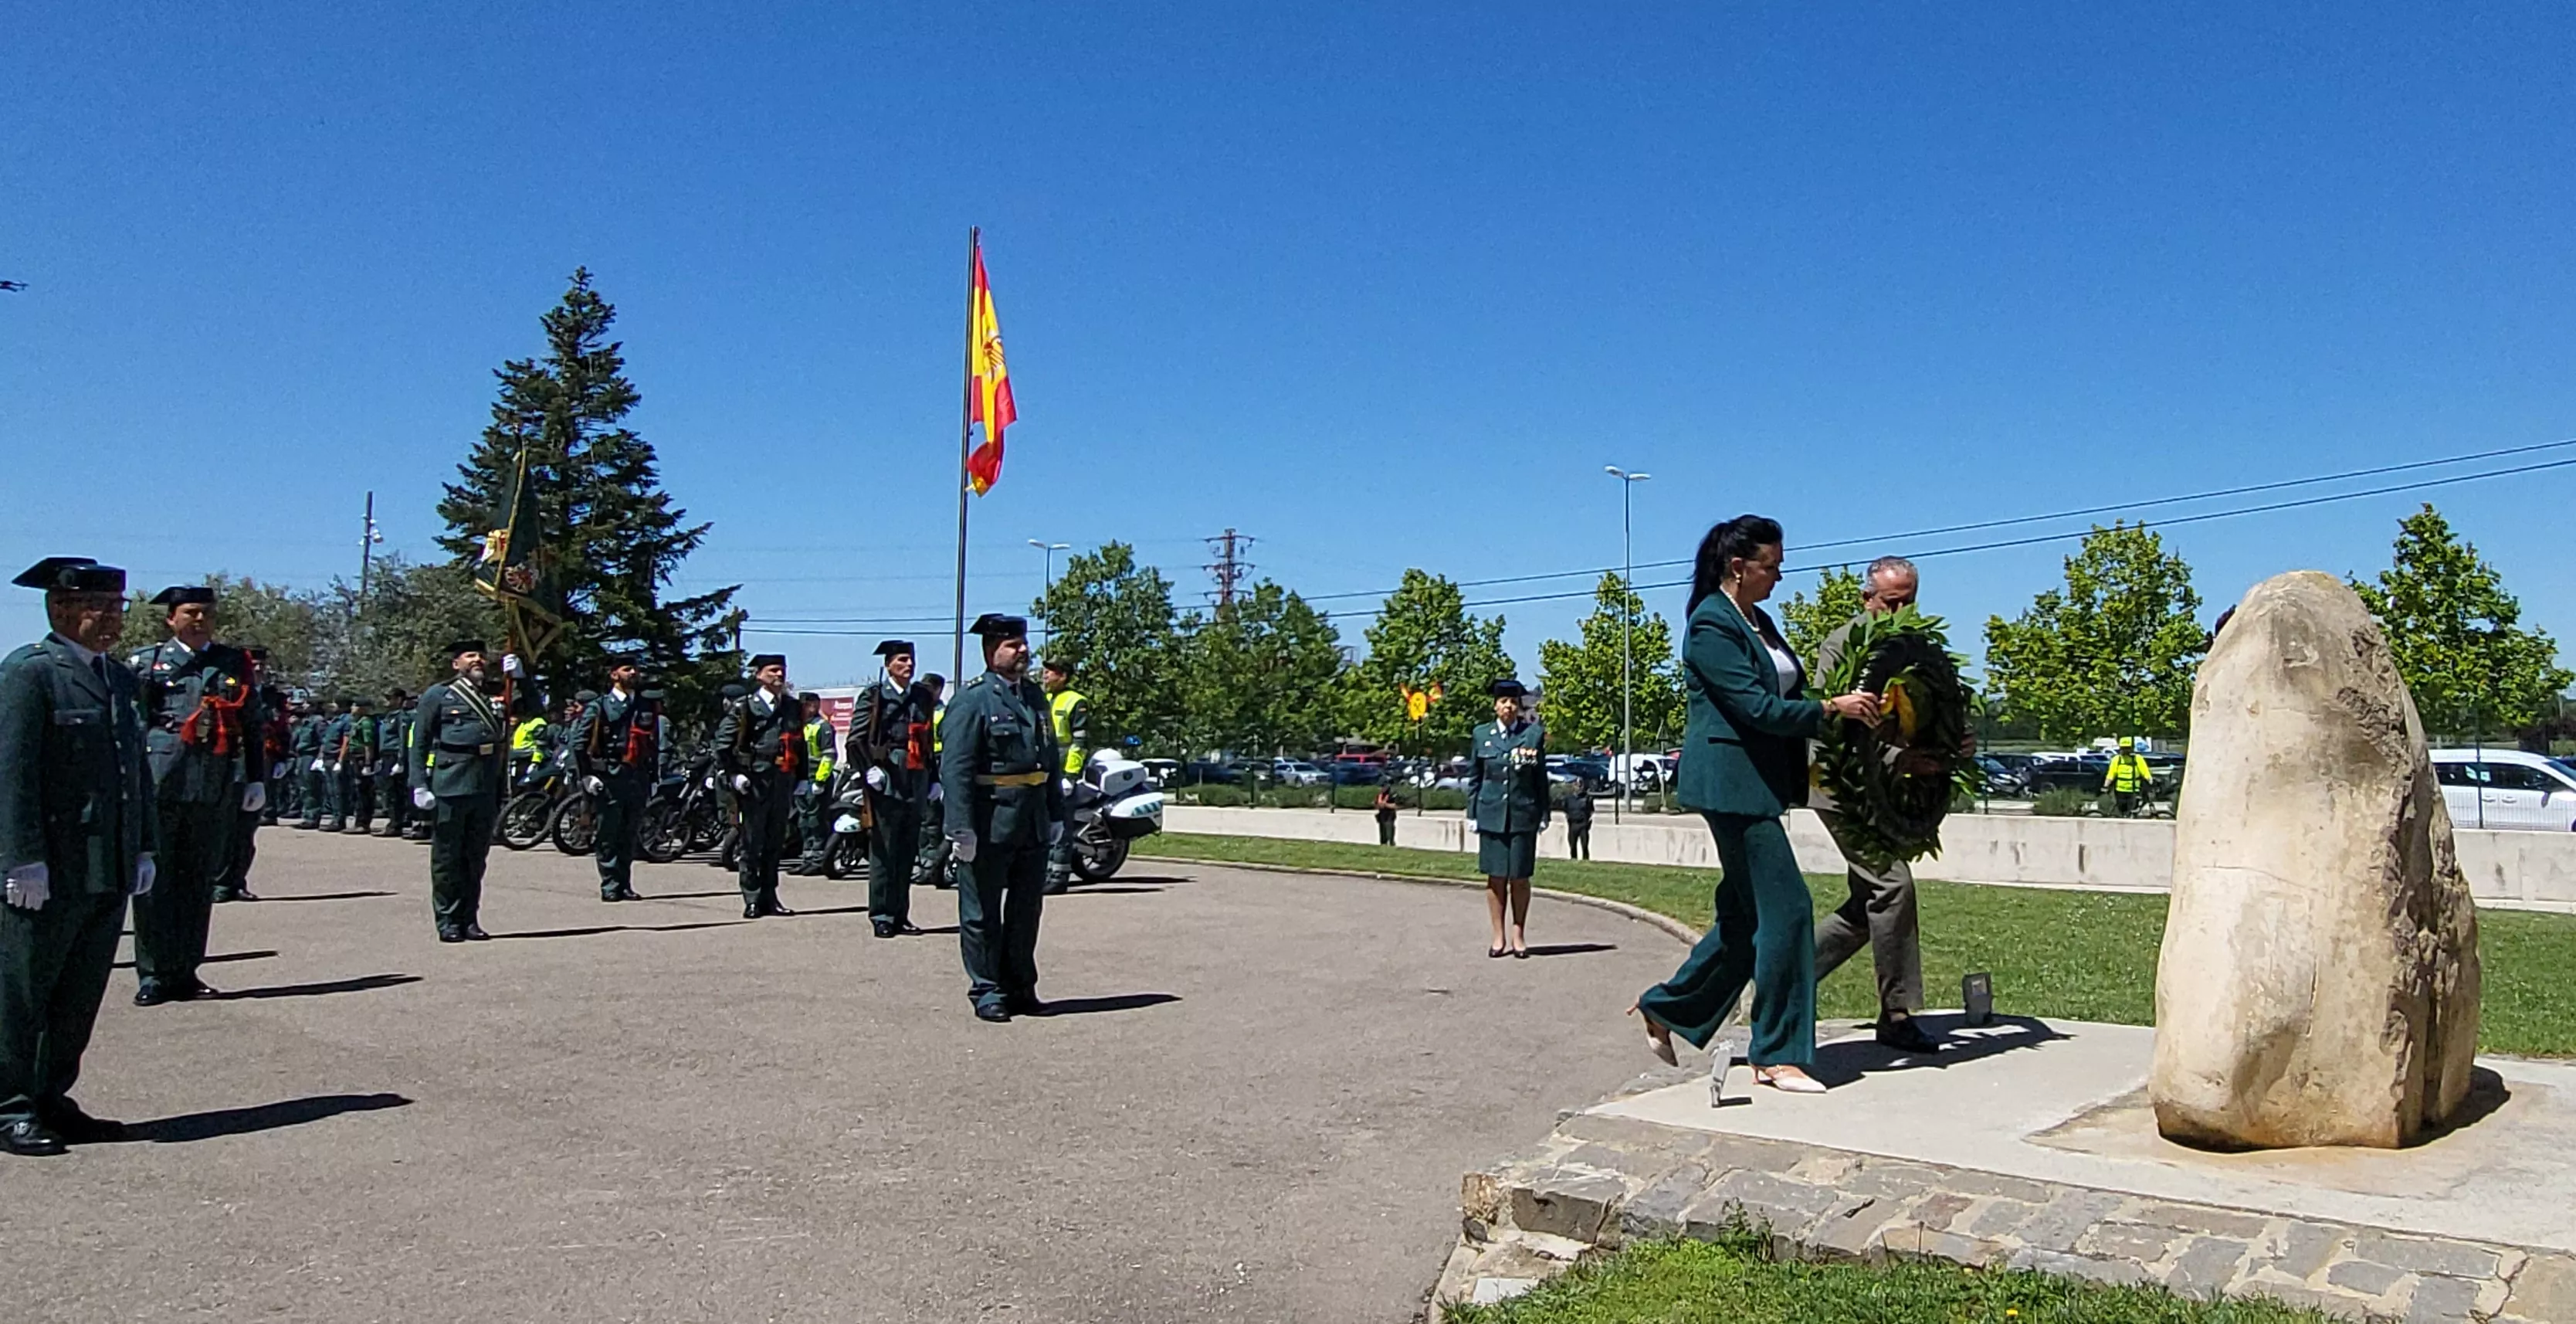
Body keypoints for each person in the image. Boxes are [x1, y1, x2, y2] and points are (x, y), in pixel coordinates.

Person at [1632, 517, 1880, 1095]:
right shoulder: (1710, 626)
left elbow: (1784, 694)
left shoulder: (1757, 620)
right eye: (1771, 565)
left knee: (1746, 918)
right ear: (1738, 566)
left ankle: (1668, 1008)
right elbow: (1757, 709)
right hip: (1730, 788)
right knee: (1789, 911)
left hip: (1761, 784)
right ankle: (1776, 1053)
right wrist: (1830, 710)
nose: (1780, 574)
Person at [0, 557, 158, 1155]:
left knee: (79, 993)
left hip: (106, 862)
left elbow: (132, 772)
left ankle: (50, 1096)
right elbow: (11, 773)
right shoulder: (29, 674)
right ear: (61, 609)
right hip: (49, 866)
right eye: (101, 607)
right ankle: (9, 1104)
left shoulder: (117, 678)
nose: (114, 618)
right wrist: (19, 859)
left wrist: (143, 845)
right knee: (23, 991)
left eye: (117, 607)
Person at [1808, 555, 1940, 1054]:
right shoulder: (1843, 646)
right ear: (1868, 599)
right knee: (1893, 885)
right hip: (1841, 787)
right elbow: (1842, 730)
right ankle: (1897, 1014)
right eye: (1891, 602)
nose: (1901, 610)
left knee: (1867, 910)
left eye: (1909, 600)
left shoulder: (1921, 648)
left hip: (1888, 790)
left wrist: (1953, 746)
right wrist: (1904, 761)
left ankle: (1780, 987)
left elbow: (1929, 712)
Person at [126, 584, 266, 1006]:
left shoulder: (230, 662)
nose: (200, 619)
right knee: (156, 880)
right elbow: (132, 727)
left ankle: (185, 970)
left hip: (212, 780)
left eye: (206, 612)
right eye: (190, 612)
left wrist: (256, 777)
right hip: (160, 778)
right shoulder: (147, 662)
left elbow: (252, 722)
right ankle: (152, 973)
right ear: (172, 619)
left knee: (196, 878)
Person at [940, 615, 1066, 1023]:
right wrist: (959, 827)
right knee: (981, 913)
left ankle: (1020, 986)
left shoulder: (1033, 695)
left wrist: (1056, 811)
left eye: (1024, 643)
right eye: (1013, 645)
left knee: (1026, 911)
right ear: (990, 650)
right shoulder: (972, 699)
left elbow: (1049, 758)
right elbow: (955, 768)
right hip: (989, 820)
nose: (1023, 651)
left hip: (1031, 819)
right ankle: (987, 989)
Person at [409, 640, 507, 942]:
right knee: (447, 857)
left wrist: (524, 679)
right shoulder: (438, 694)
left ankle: (469, 918)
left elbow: (532, 709)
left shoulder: (496, 692)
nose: (477, 660)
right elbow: (419, 741)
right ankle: (448, 920)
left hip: (485, 784)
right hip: (451, 782)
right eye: (470, 656)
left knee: (475, 857)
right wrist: (419, 784)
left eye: (480, 655)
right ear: (456, 664)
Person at [851, 640, 935, 938]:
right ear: (888, 665)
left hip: (916, 774)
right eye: (901, 661)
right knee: (885, 849)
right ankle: (882, 914)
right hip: (887, 775)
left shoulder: (922, 696)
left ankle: (901, 913)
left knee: (907, 849)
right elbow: (856, 738)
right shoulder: (875, 696)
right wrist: (867, 769)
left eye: (911, 660)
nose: (908, 666)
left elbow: (929, 737)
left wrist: (934, 777)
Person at [713, 654, 804, 919]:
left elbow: (798, 743)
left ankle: (770, 896)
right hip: (754, 780)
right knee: (752, 842)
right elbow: (723, 744)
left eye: (782, 671)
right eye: (773, 670)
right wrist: (734, 774)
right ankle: (751, 898)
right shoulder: (745, 707)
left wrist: (803, 777)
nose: (779, 675)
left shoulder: (791, 706)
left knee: (775, 842)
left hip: (782, 779)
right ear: (759, 675)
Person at [1466, 678, 1549, 959]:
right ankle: (1498, 936)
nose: (1508, 707)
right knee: (1496, 877)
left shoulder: (1532, 735)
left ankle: (1518, 935)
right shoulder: (1481, 734)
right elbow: (1475, 777)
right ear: (1495, 706)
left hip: (1523, 814)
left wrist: (1544, 813)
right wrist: (1472, 813)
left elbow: (1540, 780)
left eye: (1513, 702)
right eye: (1503, 702)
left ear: (1519, 706)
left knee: (1520, 878)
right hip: (1491, 815)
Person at [571, 654, 655, 903]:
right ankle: (609, 882)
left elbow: (652, 741)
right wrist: (587, 775)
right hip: (609, 774)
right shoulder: (600, 706)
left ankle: (624, 883)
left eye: (635, 669)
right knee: (609, 831)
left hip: (636, 774)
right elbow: (579, 743)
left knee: (629, 832)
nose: (633, 673)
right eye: (627, 669)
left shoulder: (644, 705)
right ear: (614, 675)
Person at [1039, 657, 1089, 895]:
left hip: (1062, 768)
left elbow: (1079, 743)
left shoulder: (1076, 701)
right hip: (1044, 768)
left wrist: (1070, 775)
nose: (1045, 675)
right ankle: (1044, 872)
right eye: (1045, 671)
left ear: (1064, 676)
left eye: (1051, 672)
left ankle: (1058, 876)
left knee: (1061, 825)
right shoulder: (1045, 699)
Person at [910, 674, 955, 891]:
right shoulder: (917, 710)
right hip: (921, 764)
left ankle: (932, 865)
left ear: (939, 690)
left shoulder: (943, 713)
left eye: (930, 688)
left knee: (933, 821)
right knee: (921, 819)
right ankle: (923, 863)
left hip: (939, 764)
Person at [788, 692, 836, 876]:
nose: (805, 708)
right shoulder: (799, 727)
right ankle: (807, 858)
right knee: (804, 820)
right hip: (802, 779)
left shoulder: (822, 727)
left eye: (809, 704)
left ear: (815, 705)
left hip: (817, 779)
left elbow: (829, 756)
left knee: (816, 820)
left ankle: (818, 859)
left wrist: (820, 780)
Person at [373, 689, 413, 838]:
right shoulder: (387, 717)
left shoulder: (402, 717)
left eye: (390, 698)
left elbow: (403, 739)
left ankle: (396, 824)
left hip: (394, 756)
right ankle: (394, 821)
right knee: (388, 792)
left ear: (398, 699)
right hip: (385, 756)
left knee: (395, 792)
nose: (386, 701)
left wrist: (401, 761)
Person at [337, 695, 377, 835]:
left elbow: (368, 745)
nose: (352, 708)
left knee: (364, 792)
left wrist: (368, 763)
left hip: (361, 759)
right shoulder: (357, 722)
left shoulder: (366, 722)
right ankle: (359, 821)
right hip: (355, 758)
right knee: (358, 792)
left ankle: (363, 823)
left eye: (355, 706)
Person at [290, 701, 327, 829]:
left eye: (307, 704)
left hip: (311, 756)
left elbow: (323, 741)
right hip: (301, 757)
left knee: (311, 788)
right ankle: (306, 815)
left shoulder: (318, 721)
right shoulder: (306, 721)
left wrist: (320, 758)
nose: (304, 706)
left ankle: (312, 817)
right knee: (303, 788)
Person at [2103, 738, 2154, 816]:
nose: (2125, 750)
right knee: (2124, 811)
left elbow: (2145, 772)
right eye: (2124, 748)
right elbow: (2111, 775)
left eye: (2127, 748)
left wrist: (2150, 781)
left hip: (2133, 790)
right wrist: (2106, 786)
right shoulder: (2117, 759)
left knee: (2130, 811)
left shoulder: (2137, 759)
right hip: (2121, 790)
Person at [1563, 783, 1595, 860]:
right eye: (1577, 785)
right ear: (1573, 787)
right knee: (1572, 845)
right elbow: (1565, 809)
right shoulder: (1568, 798)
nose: (1579, 787)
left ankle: (1586, 860)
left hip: (1583, 824)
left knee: (1584, 845)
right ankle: (1573, 860)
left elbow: (1591, 810)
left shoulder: (1587, 798)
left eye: (1581, 785)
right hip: (1573, 824)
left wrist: (1588, 820)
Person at [1373, 780, 1398, 846]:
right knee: (1382, 831)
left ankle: (1391, 842)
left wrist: (1386, 805)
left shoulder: (1392, 794)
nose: (1381, 789)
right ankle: (1383, 843)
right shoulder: (1379, 795)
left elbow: (1395, 806)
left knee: (1389, 829)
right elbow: (1375, 804)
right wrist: (1377, 805)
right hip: (1382, 814)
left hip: (1390, 814)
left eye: (1383, 787)